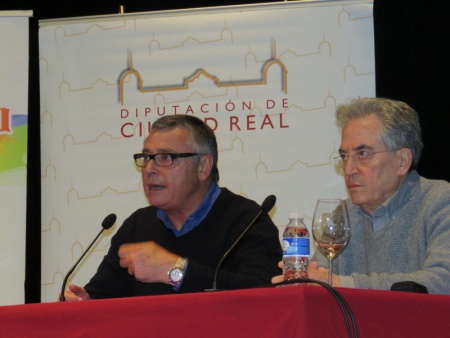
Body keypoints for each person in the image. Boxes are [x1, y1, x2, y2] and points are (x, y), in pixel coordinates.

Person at [62, 115, 282, 300]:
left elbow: (263, 297)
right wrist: (84, 301)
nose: (149, 169)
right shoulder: (137, 227)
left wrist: (175, 271)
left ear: (204, 166)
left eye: (165, 157)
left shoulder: (248, 221)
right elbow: (104, 296)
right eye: (146, 157)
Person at [272, 97, 450, 294]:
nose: (348, 170)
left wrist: (344, 284)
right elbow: (322, 278)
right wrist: (303, 282)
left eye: (363, 154)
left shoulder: (440, 201)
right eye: (344, 156)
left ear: (402, 161)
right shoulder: (344, 213)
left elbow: (443, 279)